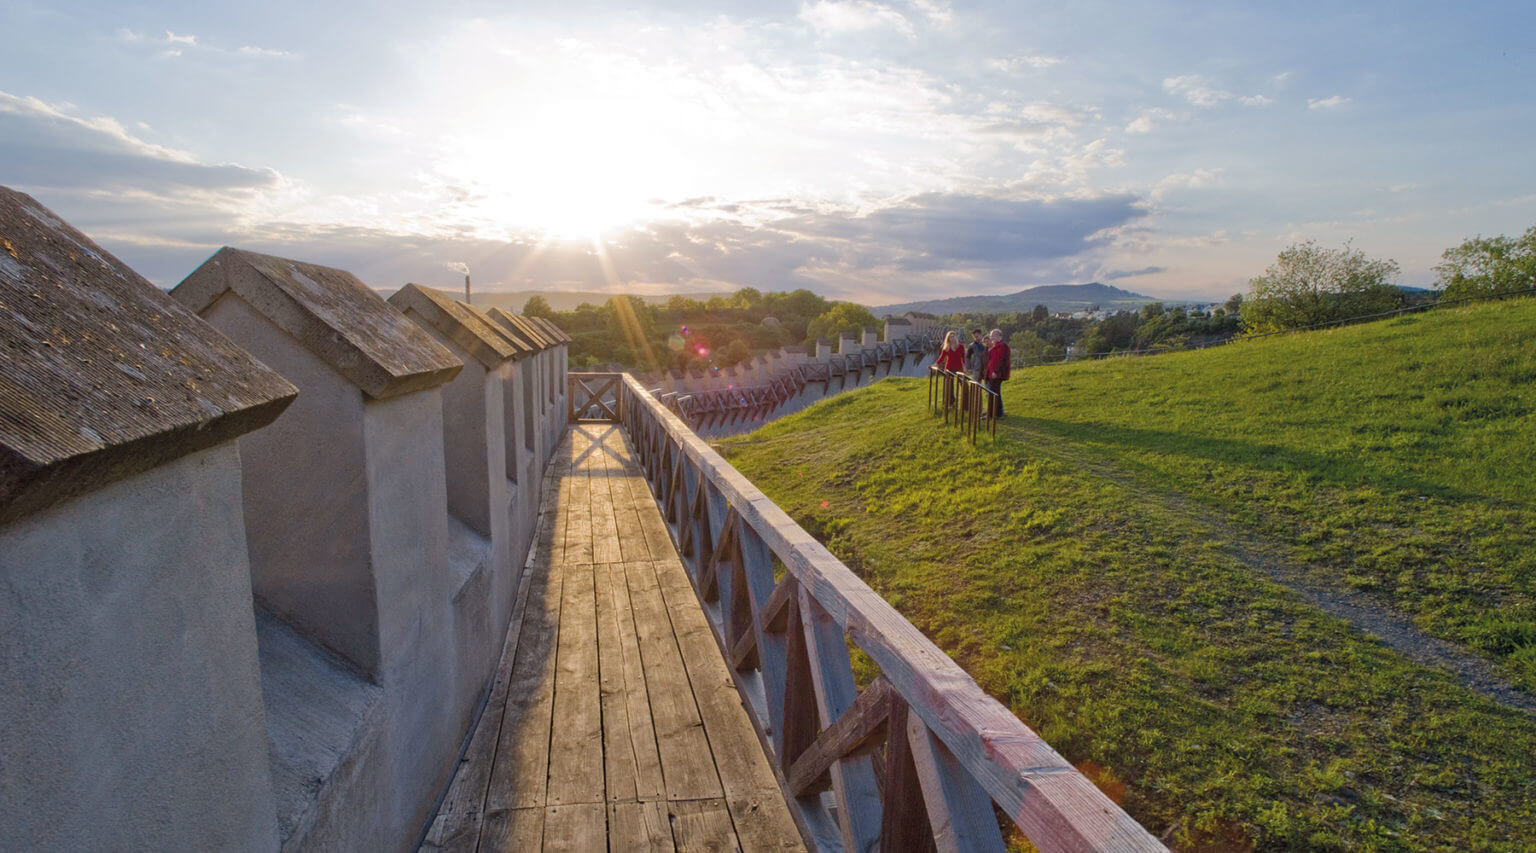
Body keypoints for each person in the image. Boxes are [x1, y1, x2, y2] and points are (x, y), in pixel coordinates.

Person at [982, 328, 1010, 418]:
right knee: (995, 393)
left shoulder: (1002, 346)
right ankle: (997, 413)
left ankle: (992, 414)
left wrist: (996, 371)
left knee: (993, 394)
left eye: (994, 335)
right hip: (991, 373)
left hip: (997, 374)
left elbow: (1002, 360)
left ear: (1000, 336)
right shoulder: (994, 347)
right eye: (991, 335)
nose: (992, 337)